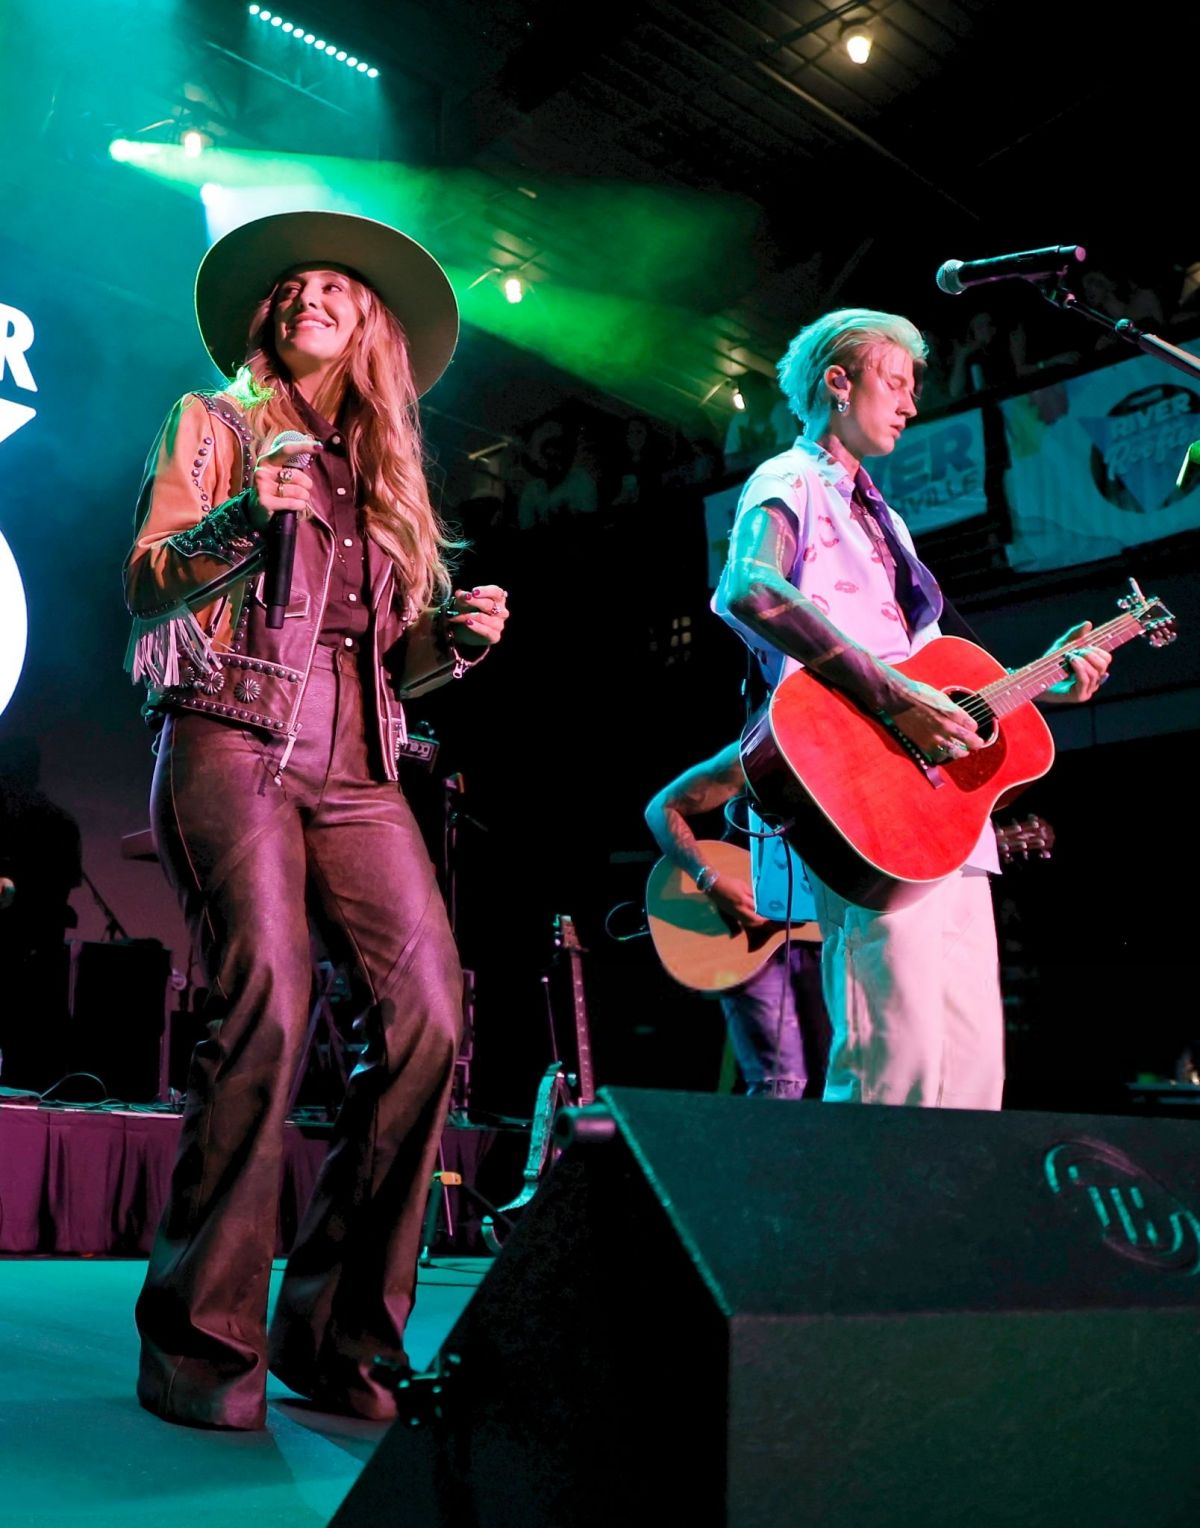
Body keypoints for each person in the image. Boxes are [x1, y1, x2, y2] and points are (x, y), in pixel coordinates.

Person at [123, 210, 509, 1431]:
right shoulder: (216, 422)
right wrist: (244, 519)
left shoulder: (382, 471)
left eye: (336, 285)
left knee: (431, 1020)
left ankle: (339, 1337)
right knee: (270, 1007)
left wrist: (456, 643)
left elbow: (397, 663)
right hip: (229, 732)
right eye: (293, 283)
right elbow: (143, 582)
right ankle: (197, 1344)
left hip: (359, 762)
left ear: (372, 325)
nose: (309, 293)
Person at [714, 307, 1109, 1110]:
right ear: (838, 380)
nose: (910, 404)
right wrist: (899, 698)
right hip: (860, 794)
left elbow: (945, 679)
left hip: (937, 807)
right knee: (893, 1059)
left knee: (969, 1063)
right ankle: (857, 1235)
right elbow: (751, 588)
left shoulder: (888, 520)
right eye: (895, 382)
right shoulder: (787, 479)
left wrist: (1043, 683)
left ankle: (954, 1233)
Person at [644, 742, 830, 1099]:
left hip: (827, 936)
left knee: (839, 1074)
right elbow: (660, 809)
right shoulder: (765, 743)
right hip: (748, 934)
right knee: (781, 1082)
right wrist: (710, 880)